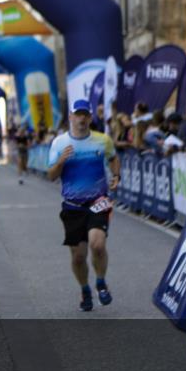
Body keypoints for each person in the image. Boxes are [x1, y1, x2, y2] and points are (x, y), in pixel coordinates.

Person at [47, 99, 120, 312]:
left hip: (98, 202)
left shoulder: (102, 140)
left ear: (90, 117)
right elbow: (51, 175)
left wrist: (117, 175)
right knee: (78, 257)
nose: (81, 118)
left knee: (97, 245)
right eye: (77, 114)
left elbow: (114, 158)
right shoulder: (59, 143)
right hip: (72, 205)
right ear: (70, 117)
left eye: (85, 115)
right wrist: (61, 161)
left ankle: (101, 282)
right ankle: (85, 288)